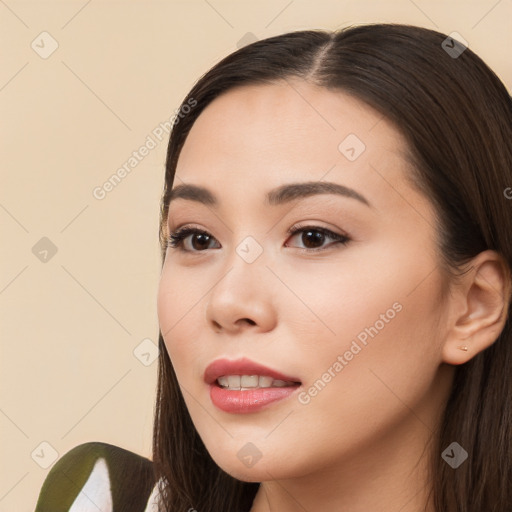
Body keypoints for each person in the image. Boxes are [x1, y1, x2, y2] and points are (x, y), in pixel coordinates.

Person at [35, 22, 512, 512]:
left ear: (475, 305)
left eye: (313, 237)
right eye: (197, 238)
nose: (228, 302)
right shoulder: (96, 498)